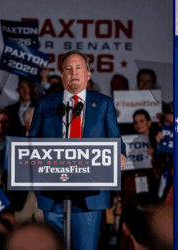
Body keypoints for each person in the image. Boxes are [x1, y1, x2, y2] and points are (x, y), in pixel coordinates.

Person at [28, 50, 127, 250]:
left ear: (88, 74)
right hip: (52, 191)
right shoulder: (45, 104)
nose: (73, 72)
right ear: (62, 75)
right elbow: (32, 140)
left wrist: (120, 153)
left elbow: (115, 139)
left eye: (78, 68)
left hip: (89, 194)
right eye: (68, 69)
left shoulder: (103, 103)